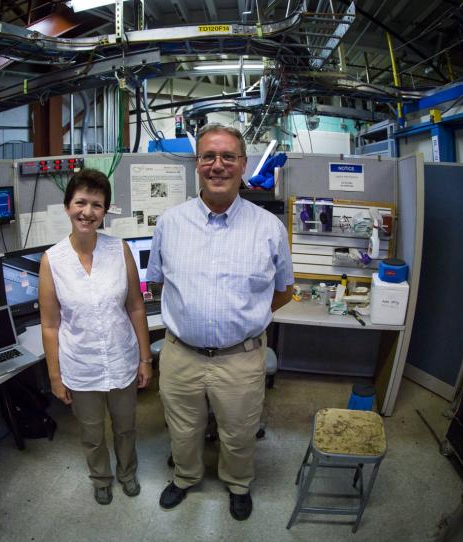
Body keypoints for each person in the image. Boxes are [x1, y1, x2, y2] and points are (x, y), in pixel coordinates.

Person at [146, 124, 294, 520]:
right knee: (182, 428)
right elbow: (158, 283)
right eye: (208, 156)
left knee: (239, 432)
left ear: (243, 164)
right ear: (197, 164)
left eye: (228, 157)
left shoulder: (269, 228)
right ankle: (185, 477)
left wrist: (247, 319)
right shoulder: (170, 224)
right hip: (181, 356)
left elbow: (283, 291)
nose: (218, 165)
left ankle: (238, 484)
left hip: (240, 358)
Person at [38, 168, 152, 505]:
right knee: (91, 433)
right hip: (81, 365)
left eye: (97, 205)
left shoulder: (120, 251)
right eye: (81, 202)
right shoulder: (52, 261)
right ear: (67, 206)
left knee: (126, 427)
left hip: (122, 360)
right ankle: (101, 478)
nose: (87, 212)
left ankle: (127, 473)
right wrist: (55, 376)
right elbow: (50, 324)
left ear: (105, 211)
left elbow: (135, 308)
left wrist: (145, 358)